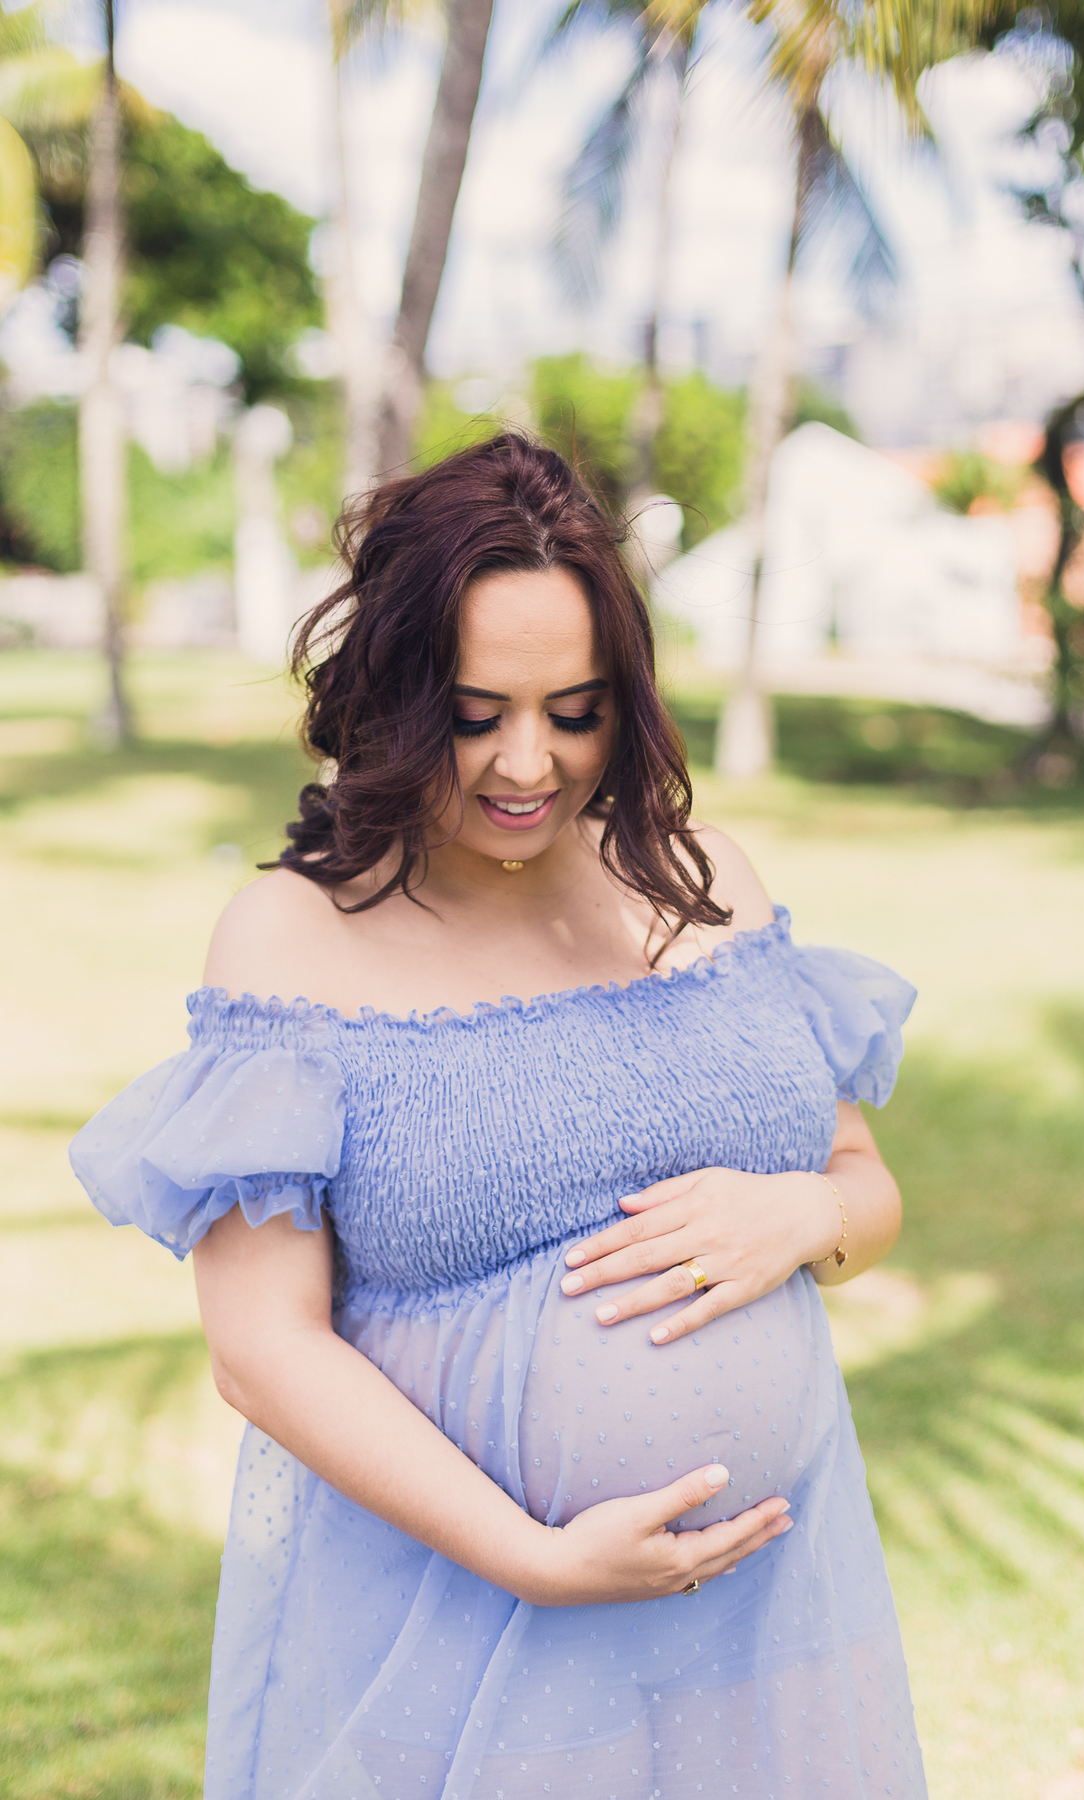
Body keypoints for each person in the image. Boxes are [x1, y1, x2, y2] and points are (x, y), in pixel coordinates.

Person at [70, 433, 924, 1800]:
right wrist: (538, 1555)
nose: (529, 762)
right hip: (459, 1621)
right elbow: (260, 1347)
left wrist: (809, 1213)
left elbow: (862, 1183)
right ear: (395, 699)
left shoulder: (709, 886)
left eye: (574, 709)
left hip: (767, 1607)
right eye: (477, 713)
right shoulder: (294, 940)